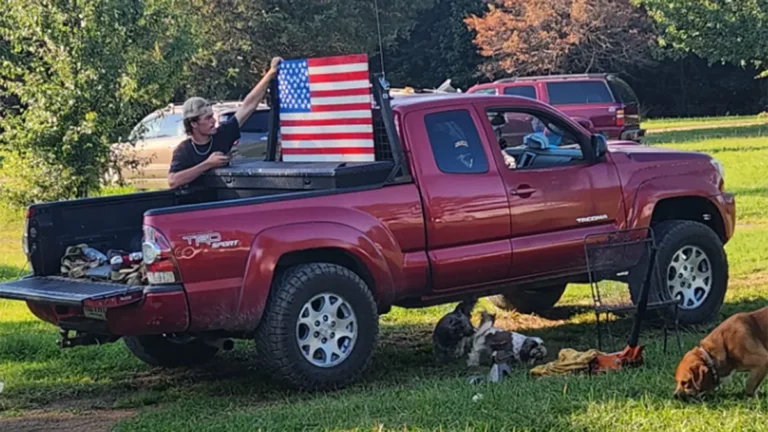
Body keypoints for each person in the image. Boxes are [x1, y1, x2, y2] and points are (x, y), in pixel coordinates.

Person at [167, 56, 282, 189]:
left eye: (212, 116)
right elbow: (173, 181)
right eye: (208, 118)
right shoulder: (184, 150)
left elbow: (248, 106)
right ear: (194, 124)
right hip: (196, 204)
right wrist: (208, 164)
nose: (214, 120)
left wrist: (270, 74)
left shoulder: (222, 134)